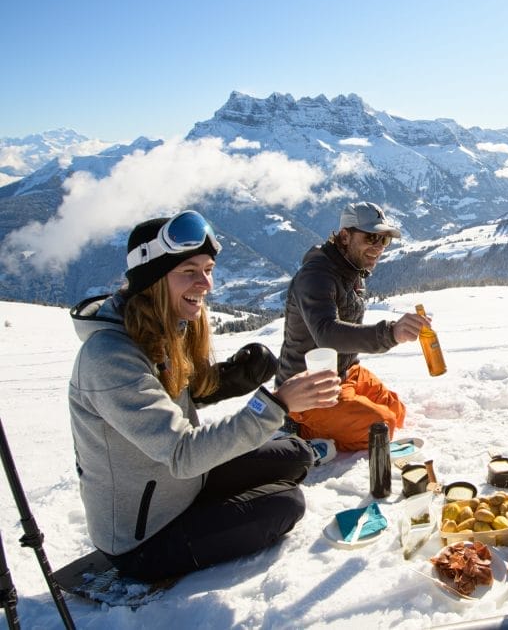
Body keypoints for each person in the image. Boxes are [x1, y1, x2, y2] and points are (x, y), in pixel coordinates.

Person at [69, 210, 341, 583]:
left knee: (295, 453)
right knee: (285, 504)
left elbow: (179, 394)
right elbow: (183, 453)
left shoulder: (161, 327)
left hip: (184, 485)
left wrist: (231, 378)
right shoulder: (109, 360)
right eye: (189, 271)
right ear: (152, 279)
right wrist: (276, 404)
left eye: (208, 269)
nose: (206, 283)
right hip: (144, 535)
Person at [276, 201, 431, 451]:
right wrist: (390, 333)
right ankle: (295, 425)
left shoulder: (352, 269)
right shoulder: (316, 276)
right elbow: (326, 332)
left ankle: (333, 416)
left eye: (384, 240)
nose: (378, 247)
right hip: (308, 388)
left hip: (345, 372)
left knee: (397, 412)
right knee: (381, 427)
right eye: (371, 237)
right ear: (345, 236)